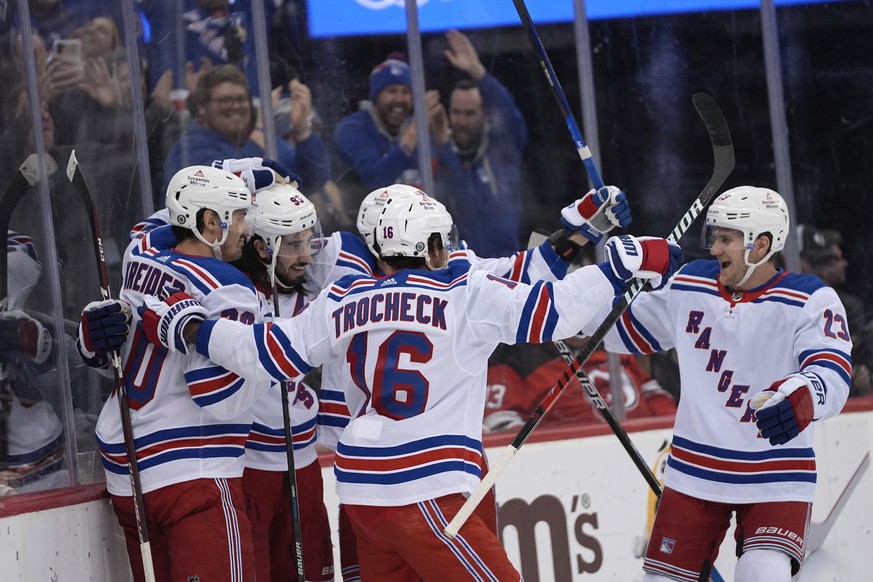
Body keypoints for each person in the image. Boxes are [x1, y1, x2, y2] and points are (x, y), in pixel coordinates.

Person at [135, 190, 679, 580]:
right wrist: (623, 263)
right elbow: (551, 311)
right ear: (437, 244)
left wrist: (190, 327)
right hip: (426, 491)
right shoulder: (466, 293)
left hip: (362, 496)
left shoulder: (346, 297)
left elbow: (267, 353)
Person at [574, 186, 852, 581]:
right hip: (696, 473)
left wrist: (801, 397)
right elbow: (620, 328)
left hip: (776, 474)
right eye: (714, 237)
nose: (715, 248)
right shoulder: (690, 283)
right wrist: (572, 305)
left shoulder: (809, 299)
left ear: (762, 245)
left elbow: (832, 371)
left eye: (727, 239)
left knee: (763, 572)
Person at [79, 165, 271, 582]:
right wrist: (267, 356)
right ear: (208, 223)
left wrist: (91, 335)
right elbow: (219, 396)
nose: (245, 226)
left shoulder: (140, 254)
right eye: (237, 216)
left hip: (129, 479)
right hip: (195, 476)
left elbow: (158, 221)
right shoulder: (229, 286)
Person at [162, 64, 331, 198]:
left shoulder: (258, 139)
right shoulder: (189, 149)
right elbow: (230, 191)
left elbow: (311, 181)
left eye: (241, 99)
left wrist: (302, 131)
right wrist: (259, 129)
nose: (236, 106)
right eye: (225, 100)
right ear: (203, 107)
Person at [434, 29, 528, 258]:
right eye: (456, 112)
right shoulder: (438, 152)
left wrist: (478, 72)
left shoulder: (502, 150)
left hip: (502, 268)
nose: (462, 121)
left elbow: (509, 115)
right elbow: (464, 202)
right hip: (456, 273)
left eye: (470, 113)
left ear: (485, 115)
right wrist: (444, 146)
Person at [482, 339, 677, 433]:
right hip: (571, 464)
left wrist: (668, 432)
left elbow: (653, 395)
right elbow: (503, 427)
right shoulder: (518, 362)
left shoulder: (613, 344)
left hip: (642, 445)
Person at [332, 54, 450, 200]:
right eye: (392, 91)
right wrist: (414, 130)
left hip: (418, 219)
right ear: (376, 96)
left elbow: (453, 188)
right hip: (367, 219)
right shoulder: (352, 128)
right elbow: (377, 181)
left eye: (405, 92)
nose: (399, 99)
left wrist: (443, 141)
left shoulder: (419, 130)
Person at [798, 224, 871, 396]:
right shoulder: (773, 308)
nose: (818, 270)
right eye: (812, 261)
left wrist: (858, 380)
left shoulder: (832, 303)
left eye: (823, 261)